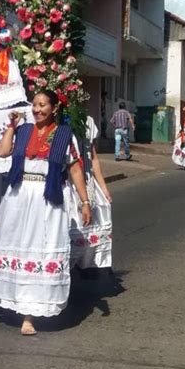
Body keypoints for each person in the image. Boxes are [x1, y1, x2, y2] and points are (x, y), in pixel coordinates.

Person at [0, 90, 91, 336]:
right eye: (34, 105)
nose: (37, 109)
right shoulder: (23, 130)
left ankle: (30, 315)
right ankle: (19, 302)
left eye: (43, 105)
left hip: (48, 198)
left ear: (54, 108)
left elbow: (75, 169)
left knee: (41, 248)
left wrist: (84, 201)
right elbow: (2, 152)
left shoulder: (65, 135)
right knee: (18, 247)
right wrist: (12, 127)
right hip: (19, 195)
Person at [70, 116, 112, 272]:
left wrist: (103, 187)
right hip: (65, 182)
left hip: (86, 179)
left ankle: (87, 265)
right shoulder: (57, 120)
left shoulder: (87, 121)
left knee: (89, 222)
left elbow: (93, 158)